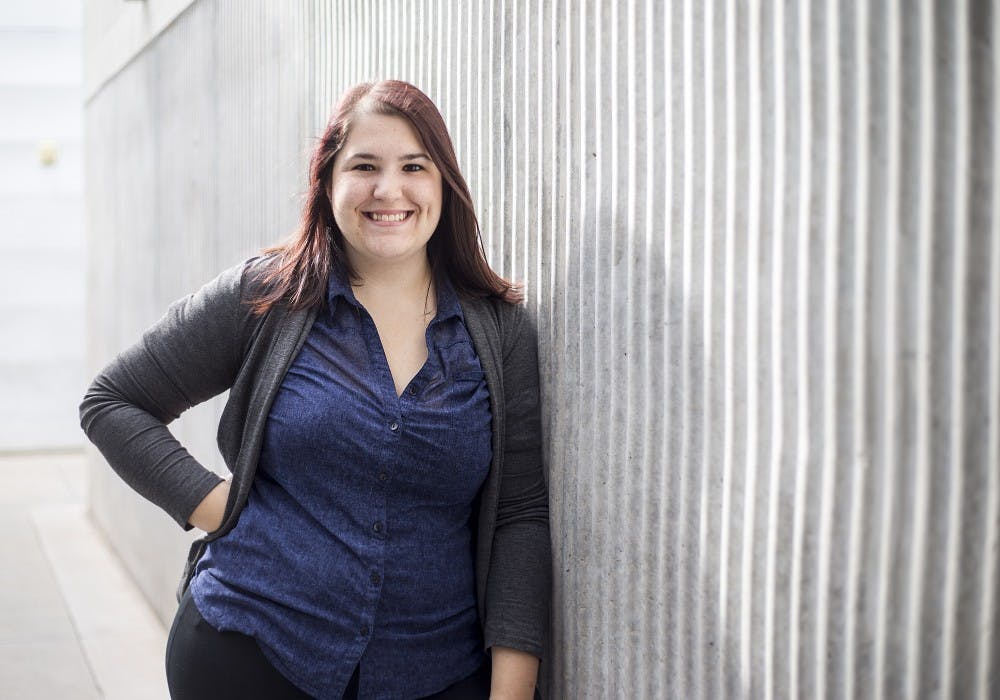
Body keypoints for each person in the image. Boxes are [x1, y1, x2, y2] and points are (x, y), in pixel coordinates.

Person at [80, 80, 551, 700]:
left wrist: (511, 691)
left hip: (432, 671)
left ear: (445, 186)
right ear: (328, 183)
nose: (389, 190)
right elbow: (112, 402)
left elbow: (519, 514)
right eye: (364, 166)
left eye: (414, 166)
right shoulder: (269, 295)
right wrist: (217, 506)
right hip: (249, 652)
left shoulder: (499, 332)